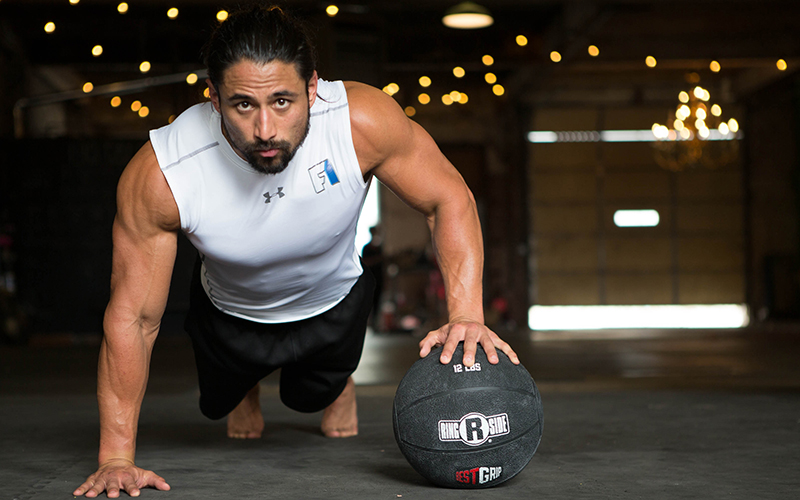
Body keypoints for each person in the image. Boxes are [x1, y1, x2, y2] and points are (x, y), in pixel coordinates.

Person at [73, 4, 519, 498]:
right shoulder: (164, 173)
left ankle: (336, 383)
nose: (265, 129)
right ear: (214, 100)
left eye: (283, 101)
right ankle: (244, 385)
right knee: (218, 404)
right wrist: (115, 456)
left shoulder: (359, 122)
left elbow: (448, 197)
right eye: (243, 104)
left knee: (311, 398)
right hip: (229, 313)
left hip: (332, 302)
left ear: (313, 89)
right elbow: (133, 318)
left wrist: (468, 316)